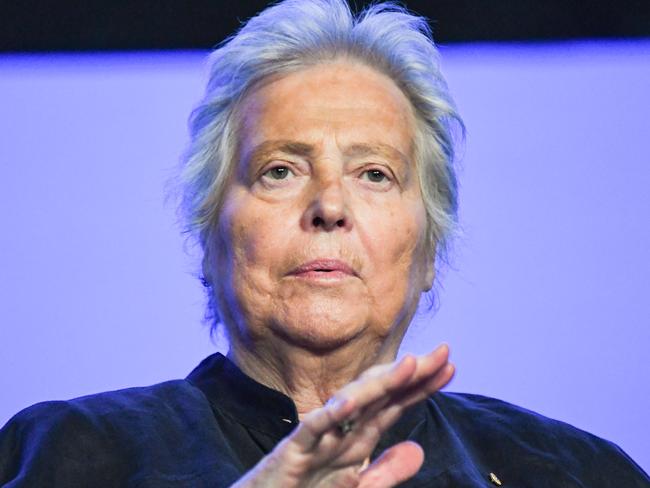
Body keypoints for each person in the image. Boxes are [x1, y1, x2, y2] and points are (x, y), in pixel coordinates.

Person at [0, 0, 648, 486]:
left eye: (374, 174)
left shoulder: (575, 472)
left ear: (428, 250)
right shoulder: (59, 455)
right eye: (280, 170)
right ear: (208, 235)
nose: (330, 206)